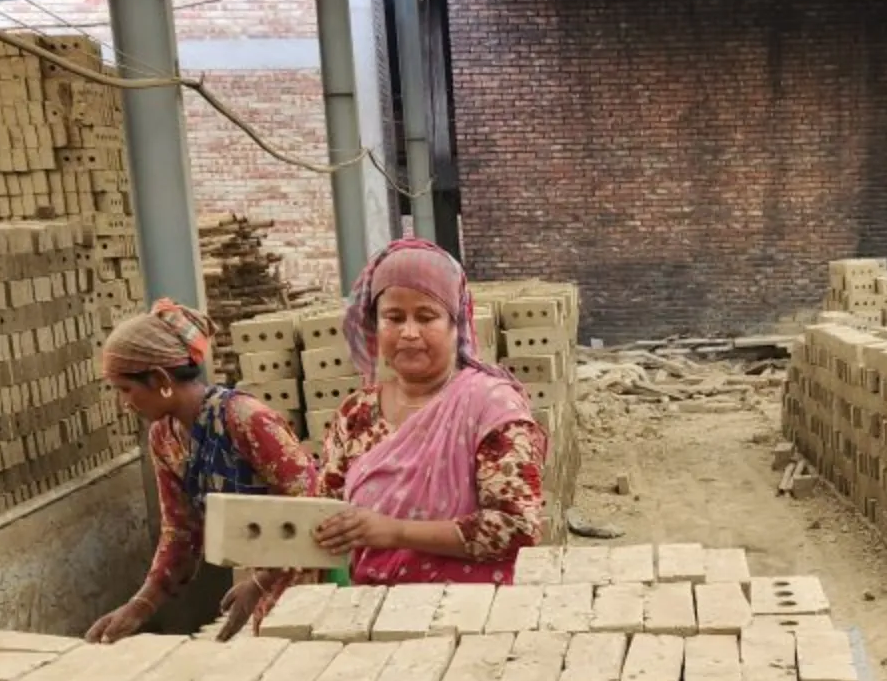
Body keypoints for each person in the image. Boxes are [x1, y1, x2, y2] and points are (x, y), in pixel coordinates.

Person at [311, 239, 546, 585]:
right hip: (372, 617)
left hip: (473, 617)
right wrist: (264, 582)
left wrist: (397, 533)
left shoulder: (490, 407)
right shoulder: (356, 415)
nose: (408, 332)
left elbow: (517, 526)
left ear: (457, 325)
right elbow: (322, 517)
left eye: (426, 317)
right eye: (393, 317)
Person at [86, 297, 318, 642]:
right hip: (260, 580)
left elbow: (314, 508)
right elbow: (180, 532)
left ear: (161, 379)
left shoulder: (245, 419)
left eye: (126, 390)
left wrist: (260, 582)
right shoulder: (164, 437)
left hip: (311, 580)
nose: (124, 404)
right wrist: (140, 605)